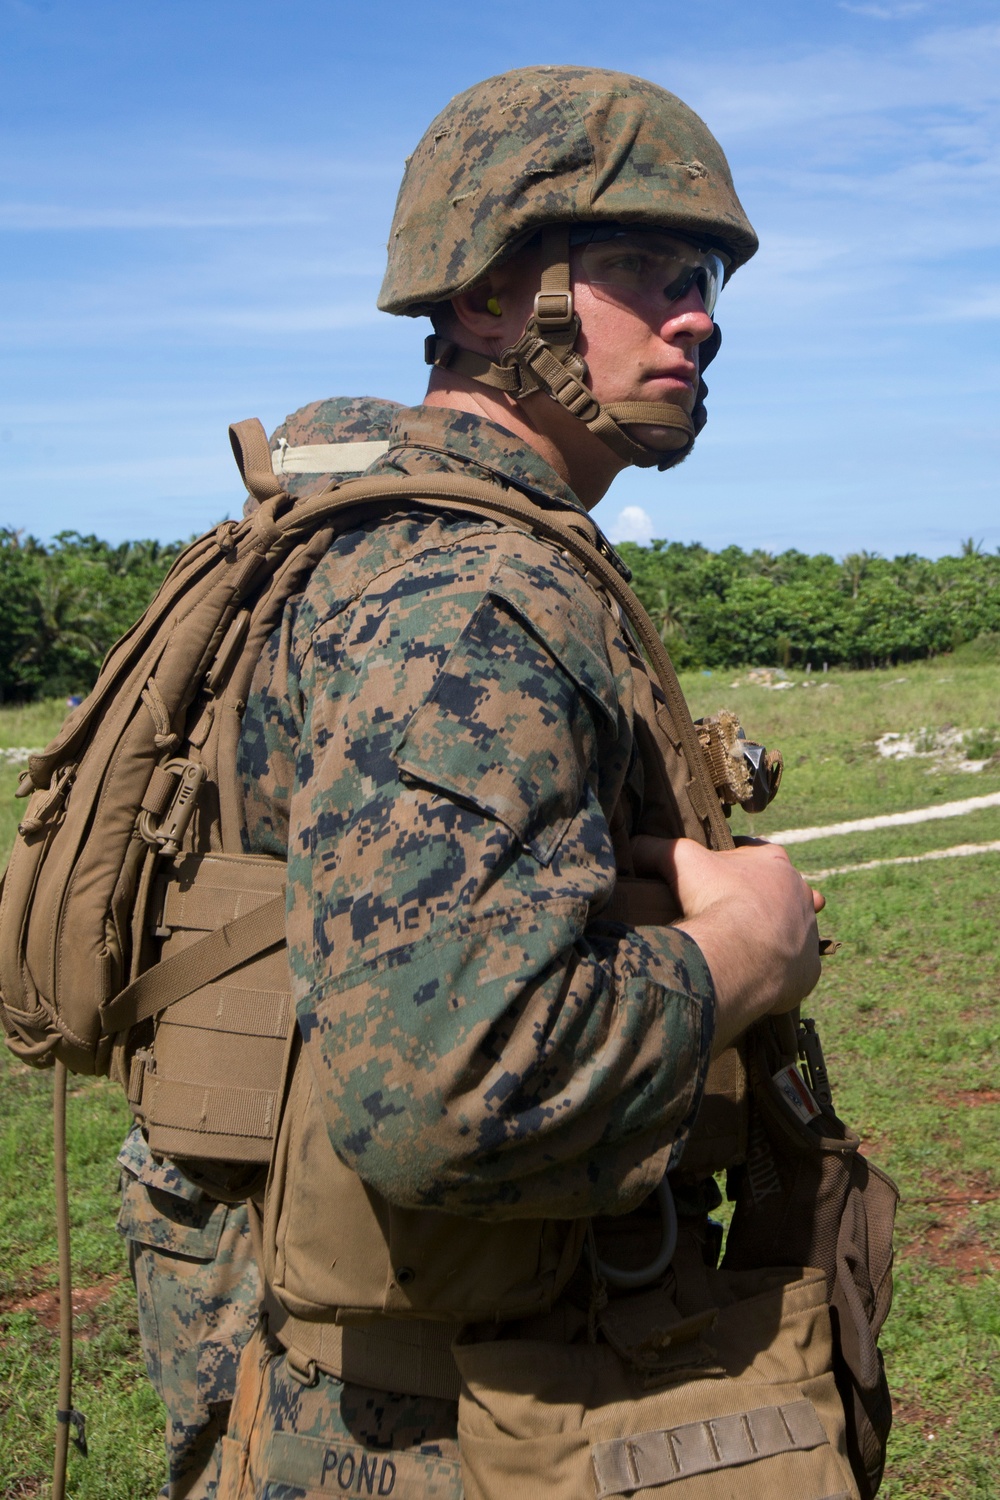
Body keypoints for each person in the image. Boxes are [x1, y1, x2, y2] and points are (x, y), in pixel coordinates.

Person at [219, 66, 855, 1500]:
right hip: (431, 1418)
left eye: (705, 278)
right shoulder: (472, 592)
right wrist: (741, 957)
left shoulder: (347, 527)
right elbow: (451, 1087)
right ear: (492, 298)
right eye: (643, 268)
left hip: (325, 1366)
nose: (699, 315)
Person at [117, 397, 402, 1500]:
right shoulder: (368, 630)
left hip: (183, 1140)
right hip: (307, 1167)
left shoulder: (209, 627)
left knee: (208, 1449)